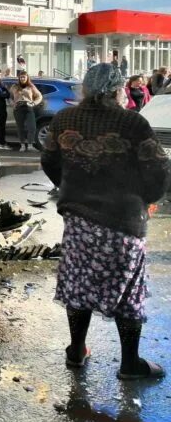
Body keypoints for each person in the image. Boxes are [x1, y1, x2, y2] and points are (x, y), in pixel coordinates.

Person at [41, 63, 170, 381]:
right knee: (128, 291)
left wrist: (69, 187)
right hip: (123, 223)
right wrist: (148, 198)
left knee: (78, 283)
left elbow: (49, 160)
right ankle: (129, 365)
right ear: (117, 89)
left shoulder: (64, 119)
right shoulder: (132, 123)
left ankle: (76, 351)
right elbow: (157, 170)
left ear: (85, 88)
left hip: (79, 220)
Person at [9, 72, 43, 152]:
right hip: (18, 108)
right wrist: (12, 104)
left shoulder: (31, 86)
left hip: (28, 107)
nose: (22, 79)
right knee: (20, 128)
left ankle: (30, 145)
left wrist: (34, 103)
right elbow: (9, 97)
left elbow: (39, 96)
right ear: (19, 78)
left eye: (24, 77)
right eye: (21, 77)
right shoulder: (14, 86)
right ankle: (22, 145)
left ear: (27, 78)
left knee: (32, 127)